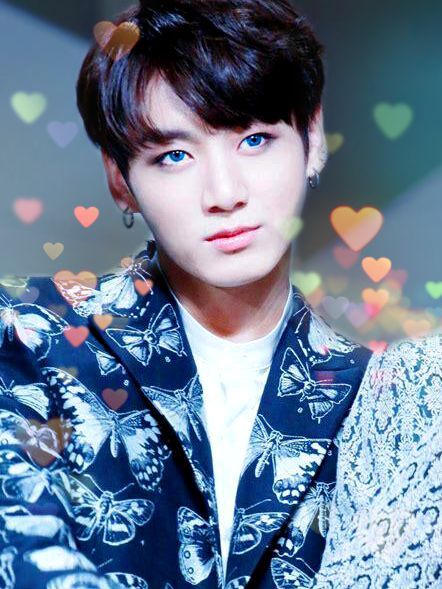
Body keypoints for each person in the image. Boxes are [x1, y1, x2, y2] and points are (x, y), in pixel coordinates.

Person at [0, 0, 384, 587]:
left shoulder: (382, 402)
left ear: (312, 137)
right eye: (174, 156)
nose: (224, 193)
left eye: (254, 139)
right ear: (119, 179)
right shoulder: (28, 335)